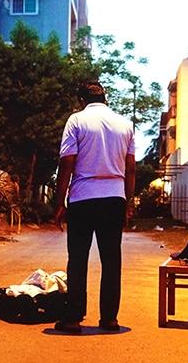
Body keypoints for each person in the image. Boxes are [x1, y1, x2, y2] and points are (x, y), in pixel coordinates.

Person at [53, 82, 136, 334]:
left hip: (82, 199)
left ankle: (73, 319)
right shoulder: (125, 125)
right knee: (111, 260)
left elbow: (67, 163)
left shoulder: (76, 121)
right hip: (114, 198)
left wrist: (59, 202)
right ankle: (109, 319)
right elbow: (131, 168)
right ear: (105, 98)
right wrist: (128, 203)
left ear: (82, 100)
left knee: (78, 259)